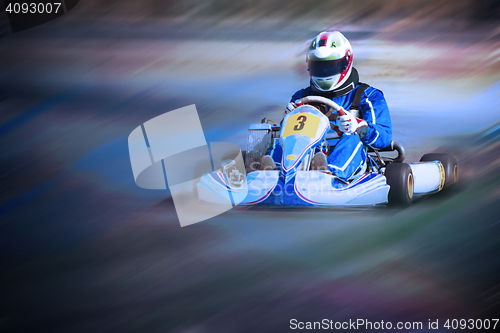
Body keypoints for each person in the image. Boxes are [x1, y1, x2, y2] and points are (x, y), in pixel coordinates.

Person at [265, 31, 392, 185]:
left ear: (346, 62)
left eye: (330, 66)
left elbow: (384, 137)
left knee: (351, 139)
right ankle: (270, 175)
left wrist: (360, 127)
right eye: (319, 66)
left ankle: (329, 175)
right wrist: (288, 119)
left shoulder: (367, 95)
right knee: (280, 141)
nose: (324, 71)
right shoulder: (301, 97)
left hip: (351, 159)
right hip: (307, 155)